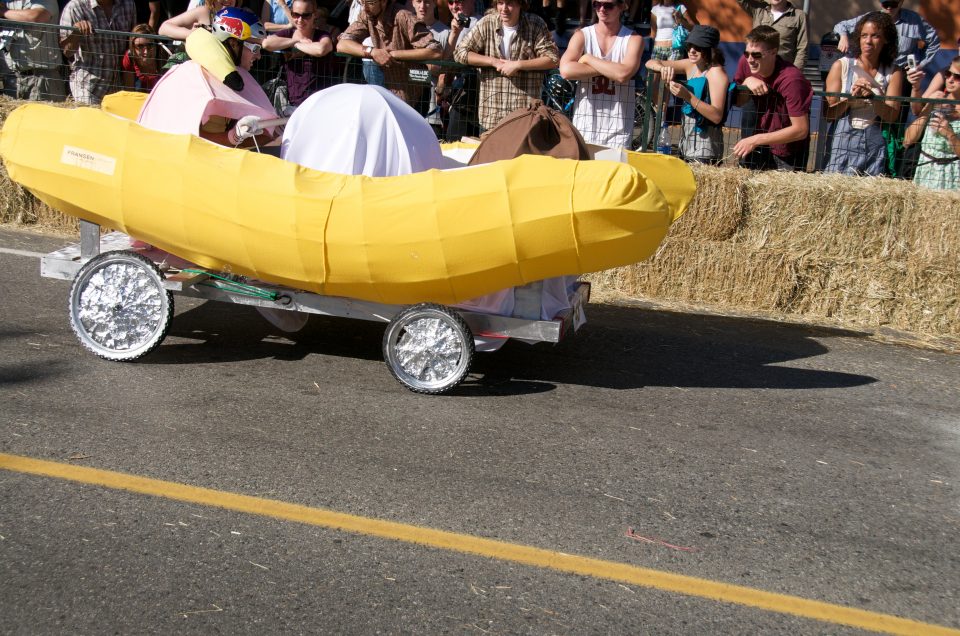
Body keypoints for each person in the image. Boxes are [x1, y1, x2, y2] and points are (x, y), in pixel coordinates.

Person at [453, 0, 558, 133]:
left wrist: (519, 65)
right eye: (500, 3)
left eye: (509, 3)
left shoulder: (535, 24)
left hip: (525, 117)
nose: (504, 8)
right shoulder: (487, 23)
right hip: (491, 116)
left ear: (521, 4)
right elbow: (460, 52)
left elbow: (553, 59)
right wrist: (492, 61)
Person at [823, 12, 903, 176]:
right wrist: (852, 99)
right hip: (842, 142)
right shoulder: (841, 66)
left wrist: (873, 98)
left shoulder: (893, 72)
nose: (868, 41)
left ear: (886, 39)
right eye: (864, 35)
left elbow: (892, 115)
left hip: (875, 144)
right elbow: (829, 113)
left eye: (875, 36)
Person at [559, 0, 642, 148]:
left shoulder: (634, 39)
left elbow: (623, 74)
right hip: (585, 125)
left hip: (619, 128)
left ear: (623, 6)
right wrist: (611, 69)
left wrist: (588, 59)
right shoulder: (582, 35)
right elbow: (565, 70)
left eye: (609, 5)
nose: (602, 9)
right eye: (597, 4)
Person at [733, 25, 812, 171]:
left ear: (773, 52)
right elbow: (738, 102)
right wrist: (747, 82)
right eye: (746, 53)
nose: (750, 59)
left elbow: (801, 130)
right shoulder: (745, 63)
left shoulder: (792, 79)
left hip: (787, 151)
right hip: (756, 146)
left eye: (756, 55)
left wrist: (756, 139)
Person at [645, 24, 727, 163]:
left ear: (709, 49)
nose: (692, 51)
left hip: (706, 151)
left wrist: (687, 96)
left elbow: (717, 116)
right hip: (685, 147)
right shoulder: (691, 65)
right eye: (689, 46)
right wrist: (661, 69)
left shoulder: (716, 73)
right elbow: (650, 62)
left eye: (698, 47)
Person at [337, 0, 442, 106]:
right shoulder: (367, 15)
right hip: (391, 92)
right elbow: (342, 44)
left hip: (416, 96)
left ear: (383, 2)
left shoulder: (403, 16)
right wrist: (372, 51)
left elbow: (436, 51)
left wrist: (393, 54)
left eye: (370, 3)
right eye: (362, 3)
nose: (365, 8)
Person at [262, 0, 338, 108]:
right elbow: (266, 43)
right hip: (291, 102)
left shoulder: (322, 35)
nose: (300, 20)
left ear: (314, 15)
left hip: (319, 102)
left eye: (306, 15)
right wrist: (296, 42)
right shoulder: (289, 34)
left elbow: (321, 49)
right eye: (295, 15)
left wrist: (296, 45)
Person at [59, 0, 136, 104]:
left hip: (118, 89)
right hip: (87, 88)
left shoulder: (128, 4)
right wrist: (76, 32)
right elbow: (67, 51)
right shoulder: (75, 7)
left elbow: (132, 42)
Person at [833, 0, 940, 72]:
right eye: (885, 4)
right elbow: (841, 25)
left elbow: (934, 41)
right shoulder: (872, 18)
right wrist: (843, 36)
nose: (889, 8)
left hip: (903, 73)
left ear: (901, 2)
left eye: (893, 4)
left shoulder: (914, 20)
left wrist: (920, 64)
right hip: (877, 72)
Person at [904, 55, 960, 191]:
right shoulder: (936, 100)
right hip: (925, 173)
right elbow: (908, 140)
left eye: (957, 77)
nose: (950, 80)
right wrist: (929, 106)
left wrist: (949, 134)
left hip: (952, 177)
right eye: (948, 74)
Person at [0, 0, 67, 100]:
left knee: (41, 115)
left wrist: (3, 12)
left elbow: (36, 16)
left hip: (42, 78)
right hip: (13, 79)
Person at [735, 0, 807, 69]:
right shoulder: (758, 9)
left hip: (782, 70)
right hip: (757, 68)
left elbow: (802, 47)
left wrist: (795, 72)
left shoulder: (799, 16)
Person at [158, 0, 235, 41]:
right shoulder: (204, 12)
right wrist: (193, 33)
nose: (227, 0)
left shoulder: (241, 18)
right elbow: (164, 28)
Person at [121, 23, 164, 91]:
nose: (146, 51)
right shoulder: (130, 58)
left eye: (150, 45)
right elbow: (129, 90)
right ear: (132, 46)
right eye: (140, 46)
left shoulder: (163, 55)